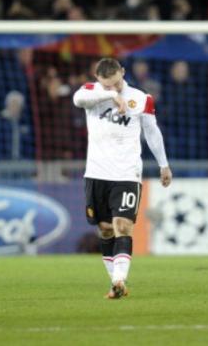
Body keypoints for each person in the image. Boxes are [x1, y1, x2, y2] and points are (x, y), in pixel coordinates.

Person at [73, 58, 172, 299]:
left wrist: (163, 164)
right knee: (105, 230)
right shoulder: (92, 93)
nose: (114, 88)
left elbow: (152, 131)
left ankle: (119, 279)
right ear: (98, 80)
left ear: (123, 73)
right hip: (96, 173)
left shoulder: (140, 98)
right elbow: (77, 100)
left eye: (117, 83)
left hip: (127, 173)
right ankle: (115, 284)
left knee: (122, 226)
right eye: (108, 85)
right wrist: (107, 96)